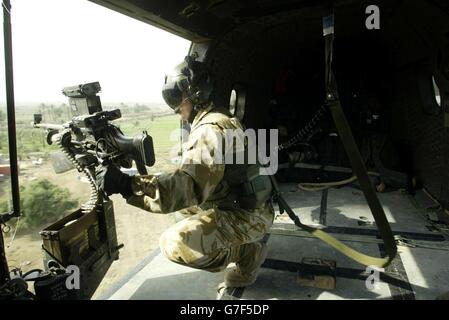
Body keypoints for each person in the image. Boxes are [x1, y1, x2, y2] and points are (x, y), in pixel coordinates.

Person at [96, 55, 275, 291]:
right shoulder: (221, 119)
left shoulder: (208, 130)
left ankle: (246, 251)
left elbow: (188, 187)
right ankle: (244, 242)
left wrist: (127, 185)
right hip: (251, 206)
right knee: (182, 212)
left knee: (173, 243)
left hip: (248, 217)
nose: (174, 107)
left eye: (174, 97)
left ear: (195, 95)